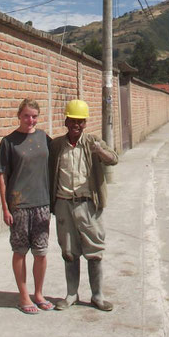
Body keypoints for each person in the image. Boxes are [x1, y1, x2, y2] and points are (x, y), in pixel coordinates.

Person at [49, 99, 119, 311]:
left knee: (94, 252)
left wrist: (100, 152)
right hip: (63, 204)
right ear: (66, 121)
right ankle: (71, 294)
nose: (76, 125)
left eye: (80, 121)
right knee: (69, 251)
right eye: (72, 120)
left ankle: (97, 296)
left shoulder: (93, 142)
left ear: (85, 123)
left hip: (88, 205)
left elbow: (113, 159)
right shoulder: (56, 145)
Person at [0, 99, 53, 314]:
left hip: (42, 204)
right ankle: (23, 295)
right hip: (19, 205)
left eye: (34, 116)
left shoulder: (44, 138)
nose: (30, 120)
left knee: (41, 252)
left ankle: (38, 293)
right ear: (19, 115)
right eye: (27, 115)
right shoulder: (9, 142)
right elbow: (2, 177)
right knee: (20, 251)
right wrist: (5, 208)